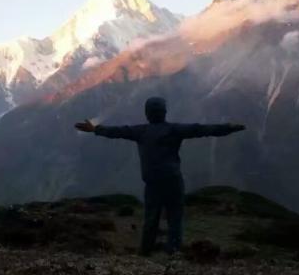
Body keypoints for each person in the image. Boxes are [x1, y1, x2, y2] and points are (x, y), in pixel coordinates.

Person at [75, 97, 245, 256]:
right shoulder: (174, 130)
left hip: (152, 182)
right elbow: (201, 129)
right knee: (175, 217)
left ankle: (145, 252)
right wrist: (228, 128)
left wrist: (95, 129)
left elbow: (117, 131)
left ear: (147, 113)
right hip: (173, 180)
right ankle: (174, 251)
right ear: (164, 112)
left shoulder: (140, 131)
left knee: (151, 218)